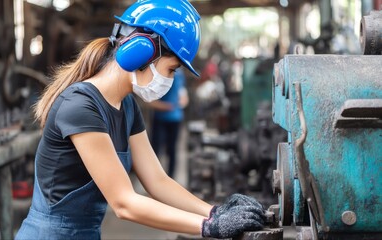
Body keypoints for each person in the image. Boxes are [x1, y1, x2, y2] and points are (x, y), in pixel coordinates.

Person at [15, 0, 266, 239]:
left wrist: (213, 212)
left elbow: (157, 180)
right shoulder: (80, 106)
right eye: (171, 69)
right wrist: (209, 227)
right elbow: (124, 203)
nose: (168, 80)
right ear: (142, 50)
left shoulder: (127, 107)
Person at [149, 67, 188, 178]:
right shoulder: (159, 74)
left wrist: (182, 102)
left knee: (172, 149)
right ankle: (153, 178)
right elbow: (150, 100)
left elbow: (183, 94)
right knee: (156, 150)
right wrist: (164, 106)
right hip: (160, 118)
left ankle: (171, 177)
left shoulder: (179, 74)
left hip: (175, 118)